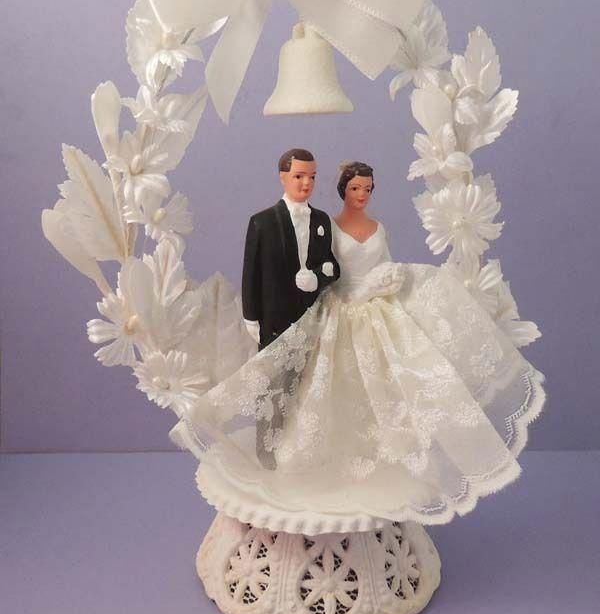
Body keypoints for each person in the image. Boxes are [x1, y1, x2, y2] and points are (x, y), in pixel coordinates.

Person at [170, 161, 545, 529]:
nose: (362, 195)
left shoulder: (379, 227)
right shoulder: (326, 225)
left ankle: (386, 460)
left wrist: (389, 280)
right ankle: (308, 460)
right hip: (340, 312)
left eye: (367, 189)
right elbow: (327, 268)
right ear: (342, 190)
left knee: (388, 383)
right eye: (355, 188)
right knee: (328, 386)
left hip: (379, 313)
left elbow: (385, 262)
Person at [241, 148, 339, 467]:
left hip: (312, 318)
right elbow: (250, 273)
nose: (306, 183)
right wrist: (251, 316)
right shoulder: (262, 222)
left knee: (306, 384)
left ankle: (298, 452)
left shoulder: (322, 220)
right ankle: (267, 452)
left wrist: (319, 277)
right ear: (283, 177)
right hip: (274, 319)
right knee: (271, 384)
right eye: (299, 176)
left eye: (311, 177)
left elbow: (333, 266)